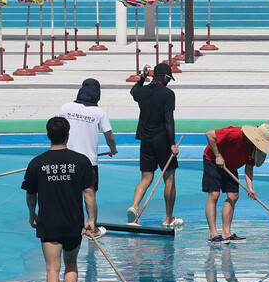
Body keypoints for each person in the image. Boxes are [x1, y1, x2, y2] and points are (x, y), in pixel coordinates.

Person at [22, 117, 98, 282]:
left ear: (48, 135)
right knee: (71, 263)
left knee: (51, 269)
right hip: (73, 222)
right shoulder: (81, 161)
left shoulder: (37, 162)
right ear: (68, 134)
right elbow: (89, 193)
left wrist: (32, 214)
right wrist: (91, 220)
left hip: (50, 223)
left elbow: (30, 195)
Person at [202, 123, 269, 243]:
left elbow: (249, 168)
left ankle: (226, 233)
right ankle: (213, 234)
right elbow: (209, 135)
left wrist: (250, 187)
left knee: (233, 195)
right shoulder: (236, 133)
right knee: (214, 194)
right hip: (213, 160)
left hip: (231, 165)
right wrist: (218, 155)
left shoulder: (255, 150)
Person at [128, 63, 181, 227]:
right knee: (169, 177)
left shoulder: (142, 92)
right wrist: (172, 143)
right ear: (165, 77)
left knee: (146, 177)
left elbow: (133, 91)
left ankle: (134, 206)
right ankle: (168, 218)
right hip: (162, 140)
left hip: (145, 139)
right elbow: (169, 121)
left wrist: (142, 77)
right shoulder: (168, 94)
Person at [57, 78, 117, 194]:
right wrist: (113, 149)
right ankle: (91, 213)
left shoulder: (65, 107)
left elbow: (56, 130)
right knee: (90, 193)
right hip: (89, 162)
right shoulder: (99, 112)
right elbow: (110, 138)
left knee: (68, 194)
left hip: (66, 160)